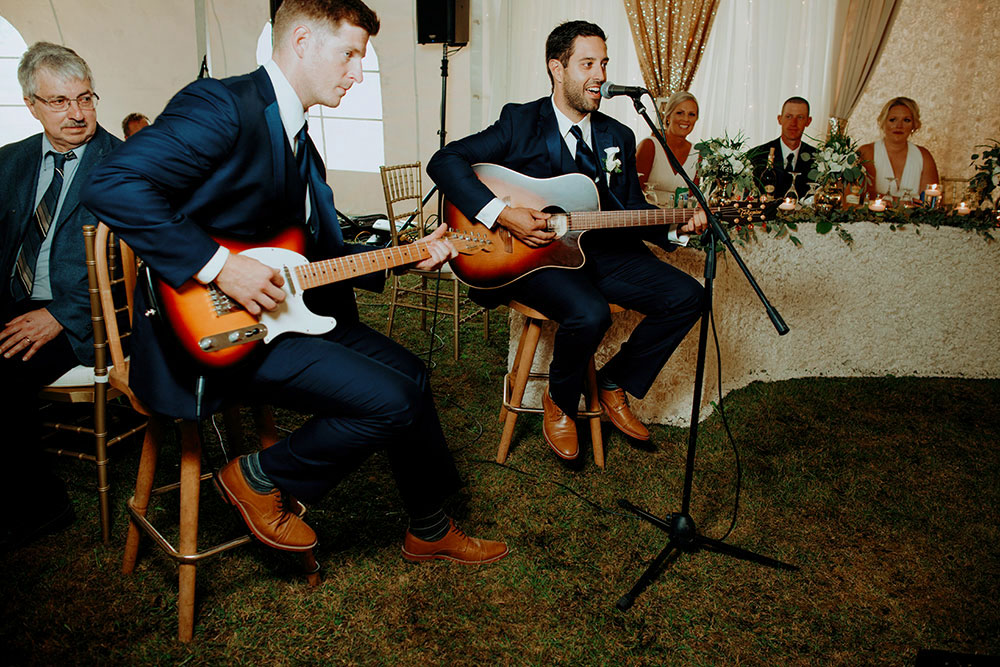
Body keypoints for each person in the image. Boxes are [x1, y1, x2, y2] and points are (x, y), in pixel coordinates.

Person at [83, 0, 507, 564]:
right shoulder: (223, 105)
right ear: (302, 41)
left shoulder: (300, 140)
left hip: (286, 312)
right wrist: (218, 265)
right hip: (207, 335)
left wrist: (403, 256)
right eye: (350, 55)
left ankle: (429, 528)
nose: (358, 73)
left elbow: (320, 254)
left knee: (413, 374)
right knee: (392, 399)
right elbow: (112, 184)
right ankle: (258, 477)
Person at [427, 20, 707, 462]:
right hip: (536, 258)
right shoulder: (521, 121)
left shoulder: (618, 135)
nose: (600, 75)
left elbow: (629, 210)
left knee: (688, 296)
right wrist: (505, 214)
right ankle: (559, 399)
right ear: (557, 68)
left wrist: (677, 226)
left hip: (605, 254)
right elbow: (445, 161)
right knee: (589, 313)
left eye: (604, 64)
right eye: (587, 64)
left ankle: (614, 383)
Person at [0, 42, 121, 549]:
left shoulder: (125, 165)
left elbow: (137, 267)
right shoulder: (10, 162)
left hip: (88, 314)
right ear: (31, 103)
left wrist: (61, 315)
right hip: (14, 297)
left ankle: (43, 507)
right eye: (59, 101)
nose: (76, 113)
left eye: (85, 98)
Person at [858, 96, 939, 201]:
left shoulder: (924, 156)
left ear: (914, 125)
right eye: (892, 120)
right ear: (883, 122)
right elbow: (865, 195)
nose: (899, 125)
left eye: (906, 120)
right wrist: (904, 203)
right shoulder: (866, 152)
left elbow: (930, 202)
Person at [636, 90, 700, 206]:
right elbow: (633, 192)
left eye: (691, 114)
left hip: (682, 222)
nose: (686, 119)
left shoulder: (697, 153)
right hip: (649, 219)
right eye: (680, 113)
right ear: (668, 116)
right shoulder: (650, 146)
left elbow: (694, 198)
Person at [749, 96, 816, 199]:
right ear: (779, 119)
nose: (793, 123)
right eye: (788, 116)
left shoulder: (818, 159)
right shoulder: (757, 156)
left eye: (800, 117)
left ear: (808, 121)